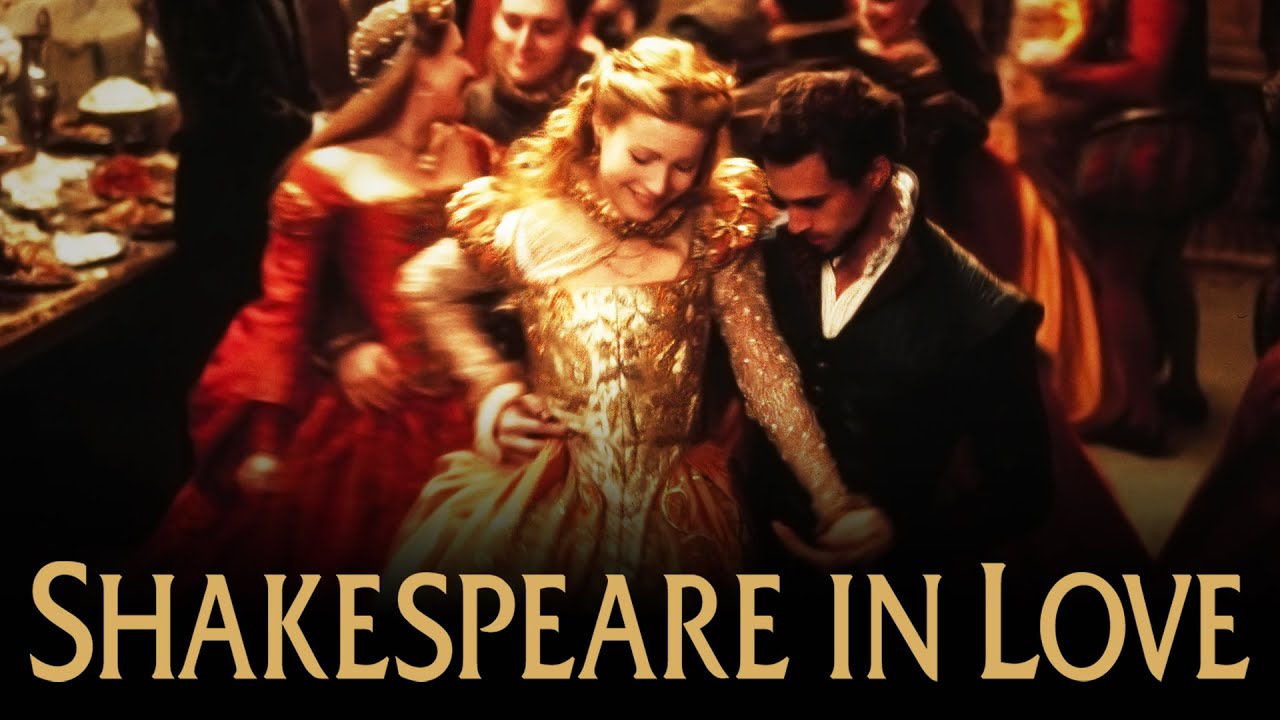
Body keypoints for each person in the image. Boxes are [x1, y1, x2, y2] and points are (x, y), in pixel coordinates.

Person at [387, 37, 886, 605]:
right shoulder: (533, 229)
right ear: (601, 127)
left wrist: (832, 500)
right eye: (642, 158)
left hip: (678, 517)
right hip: (541, 508)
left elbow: (764, 369)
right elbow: (426, 286)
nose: (658, 186)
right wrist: (492, 387)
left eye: (683, 166)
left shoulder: (711, 233)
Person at [138, 0, 489, 580]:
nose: (471, 68)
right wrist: (331, 358)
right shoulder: (326, 175)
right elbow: (286, 308)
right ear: (419, 70)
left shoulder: (477, 151)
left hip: (474, 403)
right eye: (454, 55)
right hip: (380, 416)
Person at [746, 68, 1054, 578]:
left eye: (813, 202)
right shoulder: (763, 255)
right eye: (783, 202)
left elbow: (1024, 492)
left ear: (875, 174)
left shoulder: (978, 310)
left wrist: (902, 532)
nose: (793, 223)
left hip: (892, 591)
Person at [1018, 0, 1234, 454]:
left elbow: (1146, 76)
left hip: (1151, 144)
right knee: (1163, 263)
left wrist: (1057, 75)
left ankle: (1140, 415)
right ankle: (1183, 388)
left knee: (1120, 274)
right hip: (1178, 134)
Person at [462, 0, 594, 149]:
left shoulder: (594, 115)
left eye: (545, 28)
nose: (523, 44)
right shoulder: (467, 104)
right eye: (512, 22)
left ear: (580, 31)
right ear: (495, 17)